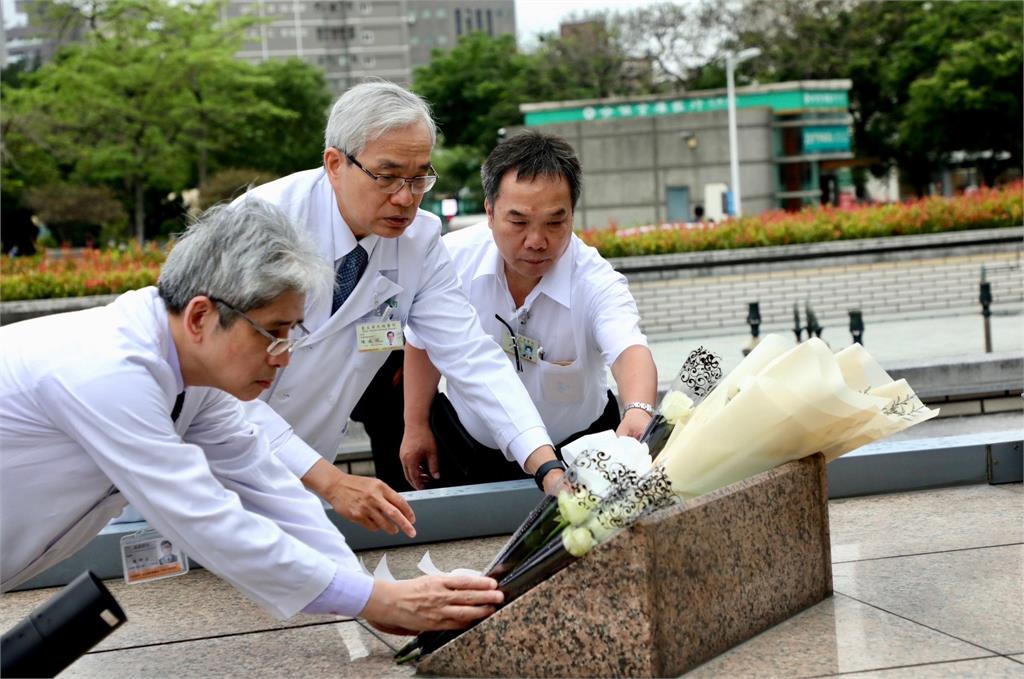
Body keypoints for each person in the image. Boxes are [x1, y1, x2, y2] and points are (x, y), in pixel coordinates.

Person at [0, 200, 501, 632]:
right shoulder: (106, 372)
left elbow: (268, 485)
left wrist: (364, 594)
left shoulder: (190, 377)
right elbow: (204, 516)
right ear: (201, 316)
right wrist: (379, 600)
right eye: (274, 331)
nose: (284, 355)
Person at [237, 81, 566, 507]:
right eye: (388, 176)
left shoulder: (420, 240)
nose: (405, 198)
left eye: (419, 178)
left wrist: (543, 463)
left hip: (307, 470)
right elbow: (221, 388)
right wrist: (332, 482)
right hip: (211, 459)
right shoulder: (260, 225)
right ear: (335, 163)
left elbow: (470, 355)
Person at [400, 131, 658, 488]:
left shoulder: (594, 278)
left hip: (579, 445)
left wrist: (639, 410)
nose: (537, 241)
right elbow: (423, 341)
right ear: (490, 212)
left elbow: (628, 347)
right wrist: (414, 426)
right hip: (474, 444)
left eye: (555, 222)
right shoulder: (451, 259)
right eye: (518, 222)